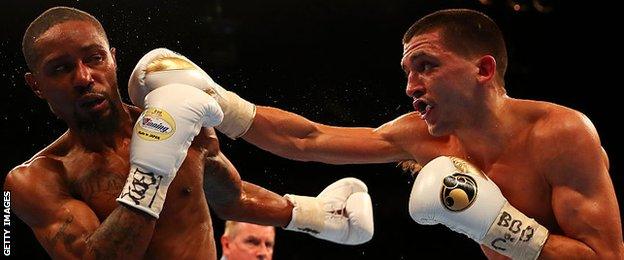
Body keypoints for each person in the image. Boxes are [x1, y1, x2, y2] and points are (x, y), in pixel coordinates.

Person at [175, 8, 623, 259]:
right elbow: (308, 139)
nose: (411, 87)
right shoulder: (421, 136)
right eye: (408, 71)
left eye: (427, 66)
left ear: (483, 69)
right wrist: (221, 103)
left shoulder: (561, 133)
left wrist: (497, 225)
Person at [3, 6, 374, 259]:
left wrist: (315, 215)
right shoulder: (37, 179)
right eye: (61, 68)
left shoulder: (176, 116)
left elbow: (230, 195)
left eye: (94, 58)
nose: (84, 77)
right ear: (36, 85)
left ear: (113, 58)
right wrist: (150, 175)